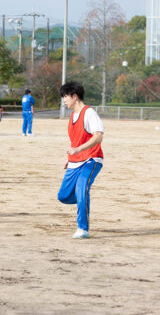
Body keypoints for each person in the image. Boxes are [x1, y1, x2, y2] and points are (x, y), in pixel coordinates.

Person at [57, 81, 104, 239]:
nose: (64, 100)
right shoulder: (72, 116)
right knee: (63, 196)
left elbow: (98, 136)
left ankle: (82, 229)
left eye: (65, 96)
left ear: (74, 96)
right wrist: (70, 157)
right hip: (75, 161)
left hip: (92, 159)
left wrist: (79, 150)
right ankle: (83, 198)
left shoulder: (89, 113)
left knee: (81, 189)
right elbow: (76, 141)